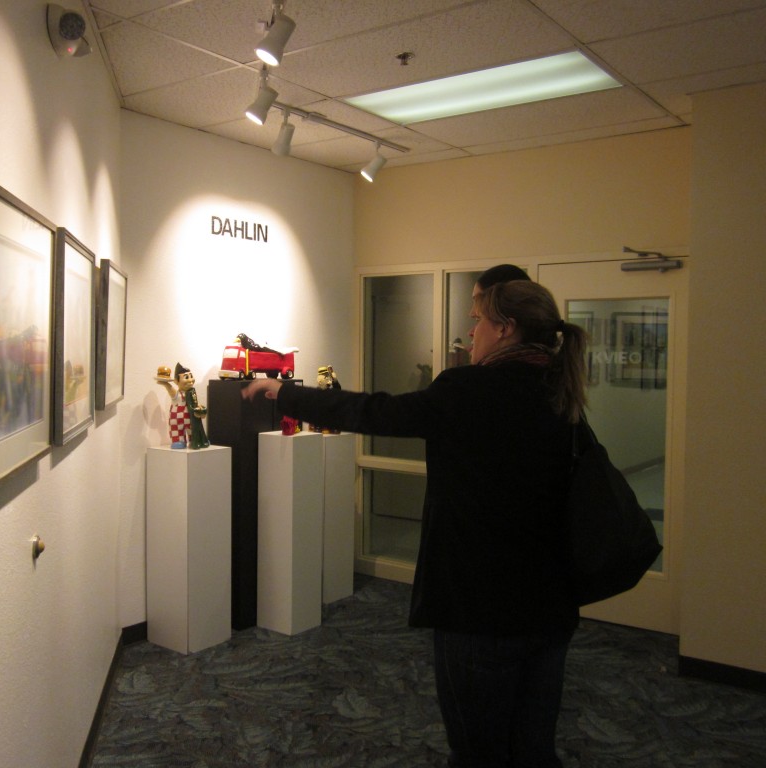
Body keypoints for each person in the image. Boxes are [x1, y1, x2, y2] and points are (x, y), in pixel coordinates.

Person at [244, 278, 588, 767]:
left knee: (476, 749)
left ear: (506, 329)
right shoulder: (561, 391)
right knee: (534, 747)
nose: (472, 334)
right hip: (550, 603)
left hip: (478, 606)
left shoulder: (469, 389)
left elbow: (377, 412)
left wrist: (287, 395)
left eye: (478, 322)